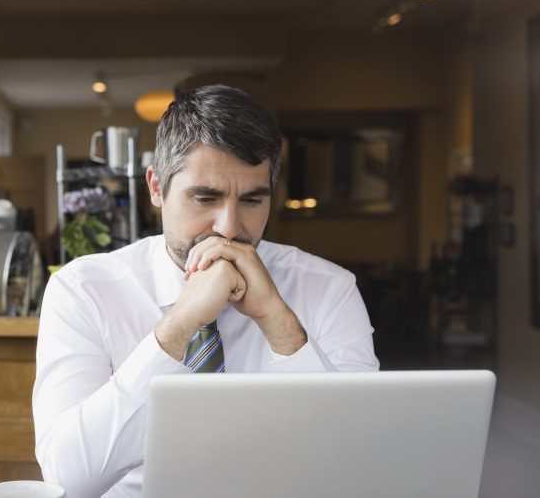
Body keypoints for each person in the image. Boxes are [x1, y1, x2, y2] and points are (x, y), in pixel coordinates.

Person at [32, 85, 380, 498]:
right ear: (157, 188)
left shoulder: (328, 289)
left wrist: (275, 318)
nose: (229, 228)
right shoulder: (82, 290)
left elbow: (357, 466)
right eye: (205, 198)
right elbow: (68, 479)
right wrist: (179, 325)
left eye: (252, 200)